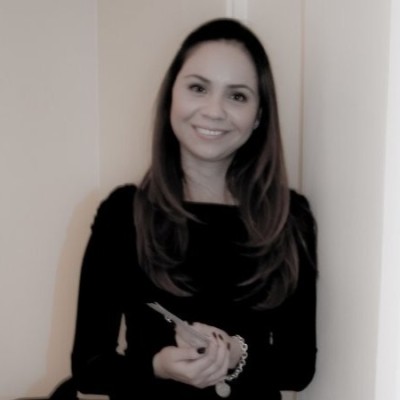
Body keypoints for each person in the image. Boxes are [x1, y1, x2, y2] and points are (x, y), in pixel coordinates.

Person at [71, 18, 318, 400]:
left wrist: (236, 354)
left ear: (258, 116)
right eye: (198, 88)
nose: (214, 110)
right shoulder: (122, 213)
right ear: (172, 95)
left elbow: (298, 367)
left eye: (237, 96)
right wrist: (157, 366)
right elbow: (89, 368)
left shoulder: (291, 217)